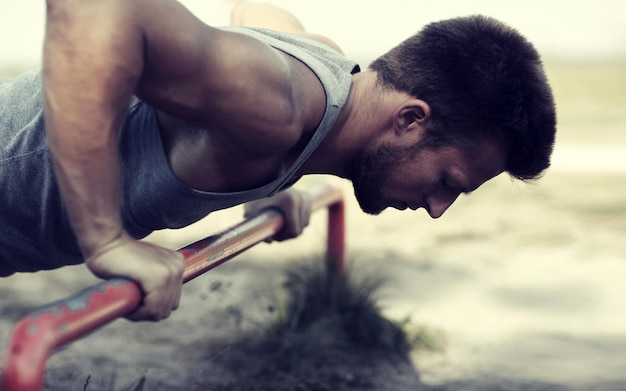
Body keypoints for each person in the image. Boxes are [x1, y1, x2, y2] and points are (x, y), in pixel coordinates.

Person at [0, 1, 556, 322]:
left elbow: (257, 12)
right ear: (410, 119)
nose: (438, 209)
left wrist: (275, 180)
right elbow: (94, 9)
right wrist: (106, 241)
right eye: (447, 182)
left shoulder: (323, 74)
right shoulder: (279, 104)